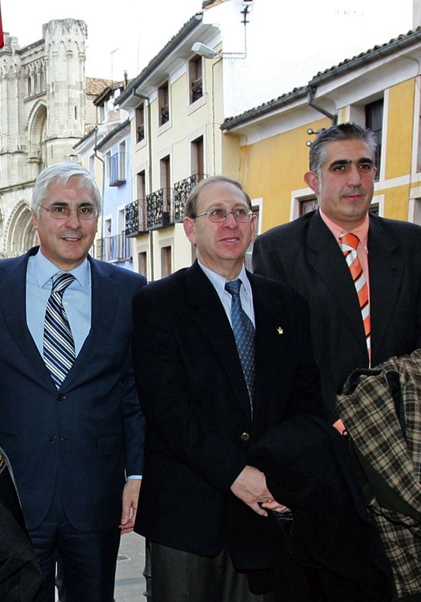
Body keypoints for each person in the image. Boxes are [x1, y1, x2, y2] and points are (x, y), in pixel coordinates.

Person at [132, 175, 323, 602]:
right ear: (190, 228)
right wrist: (237, 475)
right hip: (187, 518)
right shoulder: (158, 304)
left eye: (241, 213)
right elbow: (168, 409)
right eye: (216, 213)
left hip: (267, 511)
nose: (231, 223)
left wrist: (280, 477)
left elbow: (306, 401)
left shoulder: (287, 305)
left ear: (253, 223)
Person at [0, 163, 146, 602]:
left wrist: (136, 474)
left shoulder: (130, 291)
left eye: (86, 210)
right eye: (60, 209)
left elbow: (135, 392)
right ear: (35, 217)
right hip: (11, 492)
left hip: (97, 494)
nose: (73, 223)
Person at [252, 122, 421, 419]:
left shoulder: (416, 245)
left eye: (364, 166)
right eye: (340, 168)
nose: (355, 180)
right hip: (324, 431)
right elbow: (281, 353)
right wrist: (329, 419)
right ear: (314, 181)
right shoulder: (278, 250)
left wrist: (403, 409)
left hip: (407, 423)